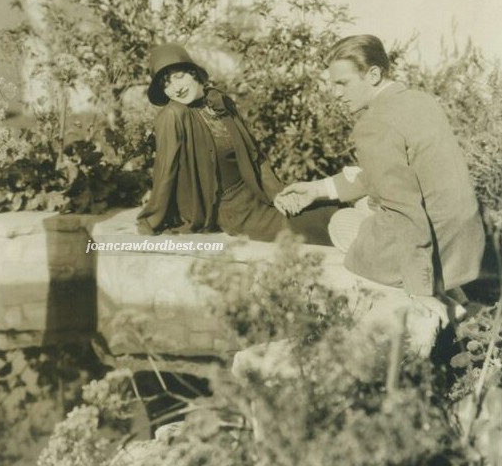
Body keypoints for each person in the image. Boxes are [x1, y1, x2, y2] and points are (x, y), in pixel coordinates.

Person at [275, 34, 485, 299]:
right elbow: (385, 175)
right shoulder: (422, 101)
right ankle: (458, 298)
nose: (336, 93)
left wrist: (419, 292)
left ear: (373, 74)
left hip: (432, 251)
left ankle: (443, 297)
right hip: (463, 243)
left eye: (343, 83)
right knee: (366, 206)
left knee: (342, 222)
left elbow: (404, 213)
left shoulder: (374, 123)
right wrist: (317, 189)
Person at [137, 43, 337, 244]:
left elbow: (254, 153)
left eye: (178, 76)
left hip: (256, 191)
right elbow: (165, 171)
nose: (176, 88)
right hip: (230, 209)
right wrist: (151, 220)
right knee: (319, 223)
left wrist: (277, 193)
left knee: (332, 207)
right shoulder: (173, 115)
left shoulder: (218, 101)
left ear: (192, 72)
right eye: (166, 84)